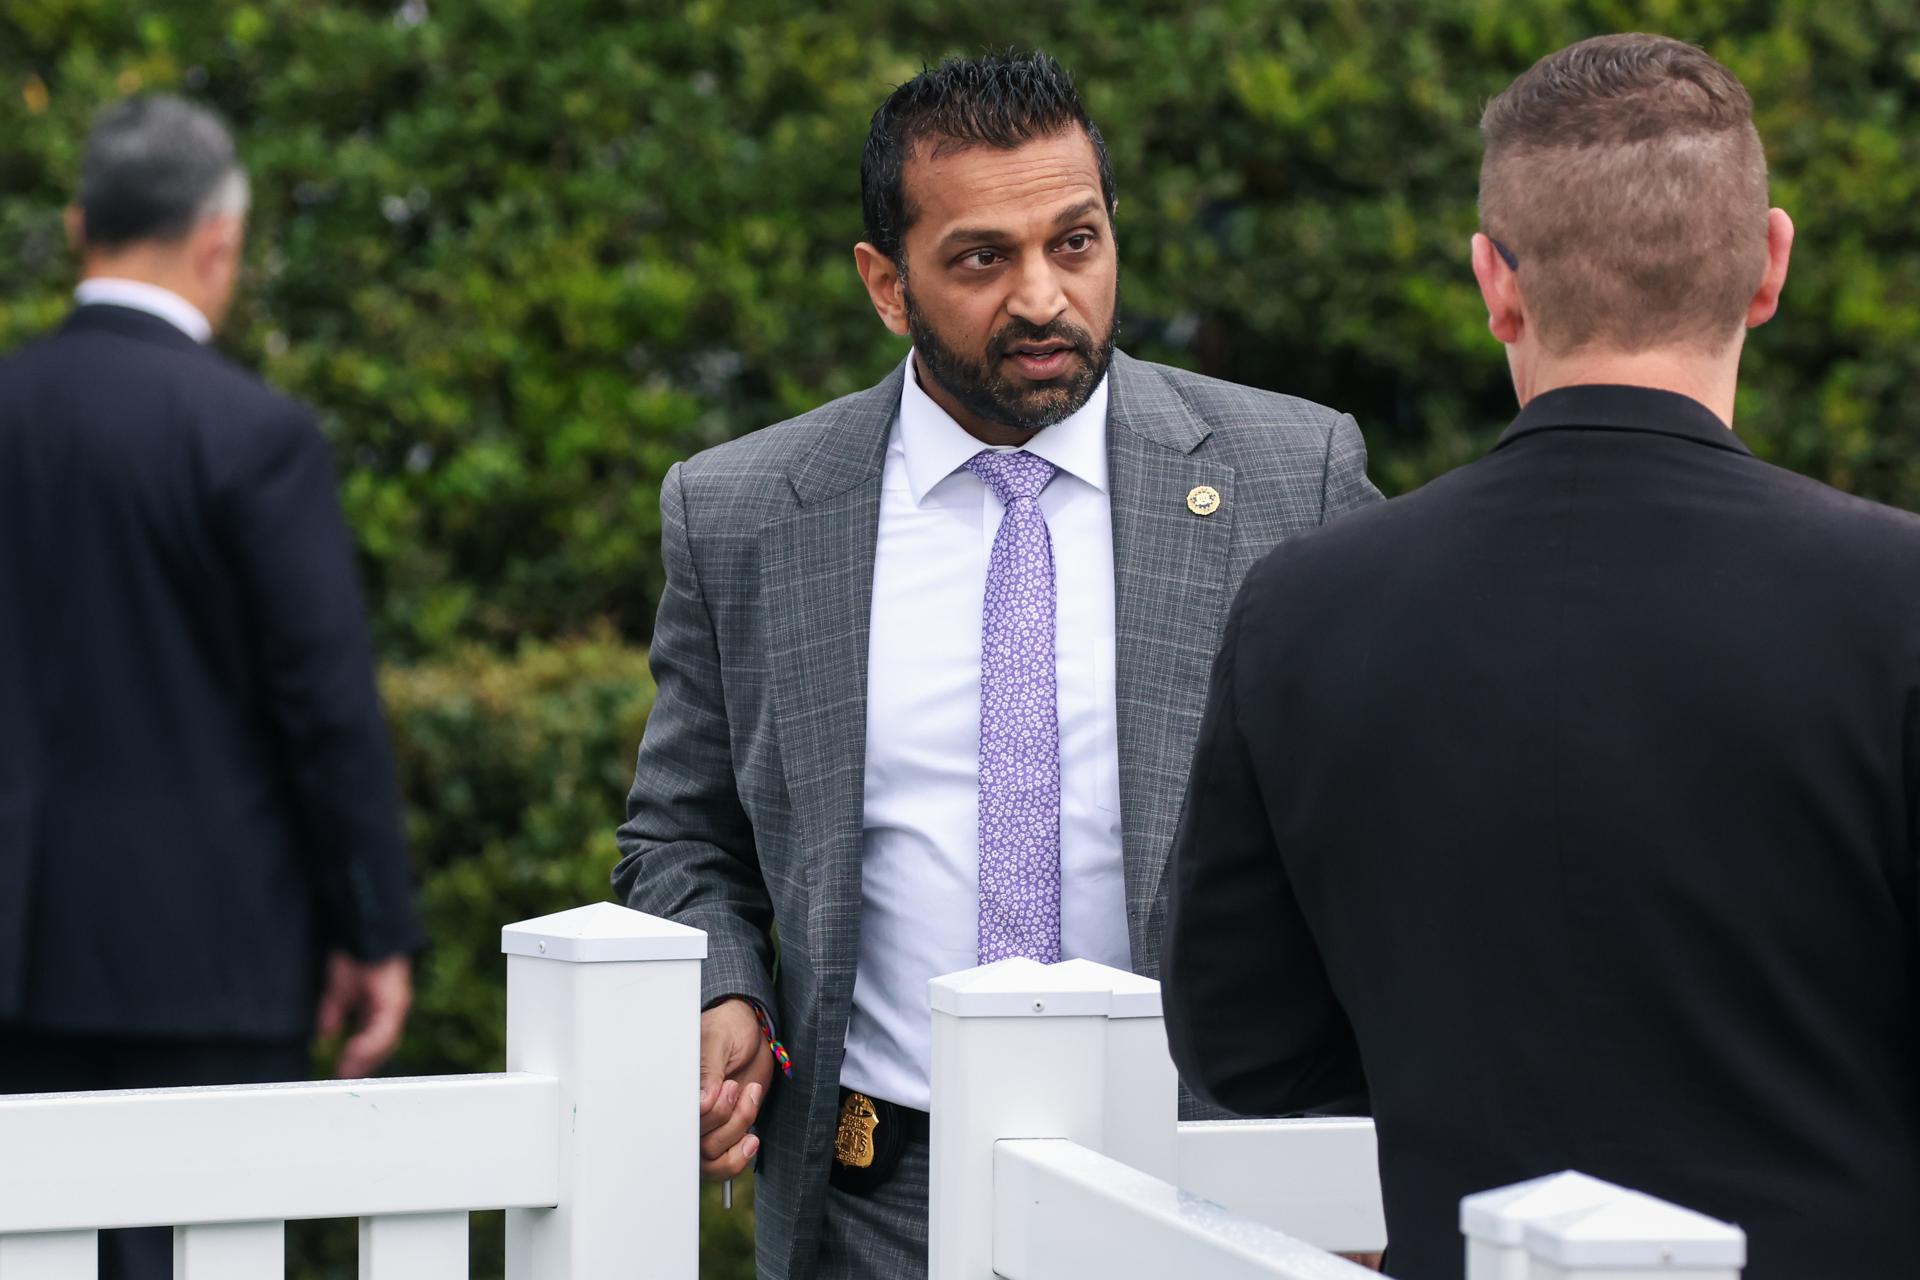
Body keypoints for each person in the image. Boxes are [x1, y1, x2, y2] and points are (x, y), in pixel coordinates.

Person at [1162, 32, 1920, 1280]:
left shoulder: (1304, 609)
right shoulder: (1896, 601)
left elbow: (1243, 1042)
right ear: (1769, 264)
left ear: (1493, 282)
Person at [614, 49, 1380, 1280]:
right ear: (885, 282)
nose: (1042, 296)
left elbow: (1391, 822)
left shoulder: (1293, 479)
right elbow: (680, 837)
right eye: (982, 258)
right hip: (872, 1208)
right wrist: (725, 986)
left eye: (1074, 243)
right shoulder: (746, 511)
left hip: (1216, 1191)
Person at [0, 96, 422, 1280]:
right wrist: (371, 926)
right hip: (206, 959)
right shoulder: (251, 433)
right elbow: (323, 705)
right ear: (219, 242)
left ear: (83, 226)